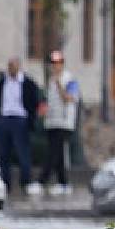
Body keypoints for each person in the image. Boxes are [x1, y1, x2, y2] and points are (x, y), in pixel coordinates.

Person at [0, 57, 43, 195]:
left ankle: (25, 182)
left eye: (13, 66)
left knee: (23, 153)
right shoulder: (2, 82)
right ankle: (5, 183)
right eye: (9, 66)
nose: (11, 69)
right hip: (4, 119)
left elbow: (34, 102)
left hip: (20, 120)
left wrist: (30, 120)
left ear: (19, 67)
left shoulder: (27, 83)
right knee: (3, 154)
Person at [38, 50, 79, 196]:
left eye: (58, 63)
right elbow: (50, 100)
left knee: (53, 152)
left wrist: (58, 84)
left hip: (64, 122)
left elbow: (69, 98)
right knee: (59, 154)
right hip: (51, 121)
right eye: (53, 63)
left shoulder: (70, 79)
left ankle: (42, 181)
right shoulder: (50, 81)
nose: (55, 66)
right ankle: (63, 183)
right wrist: (44, 110)